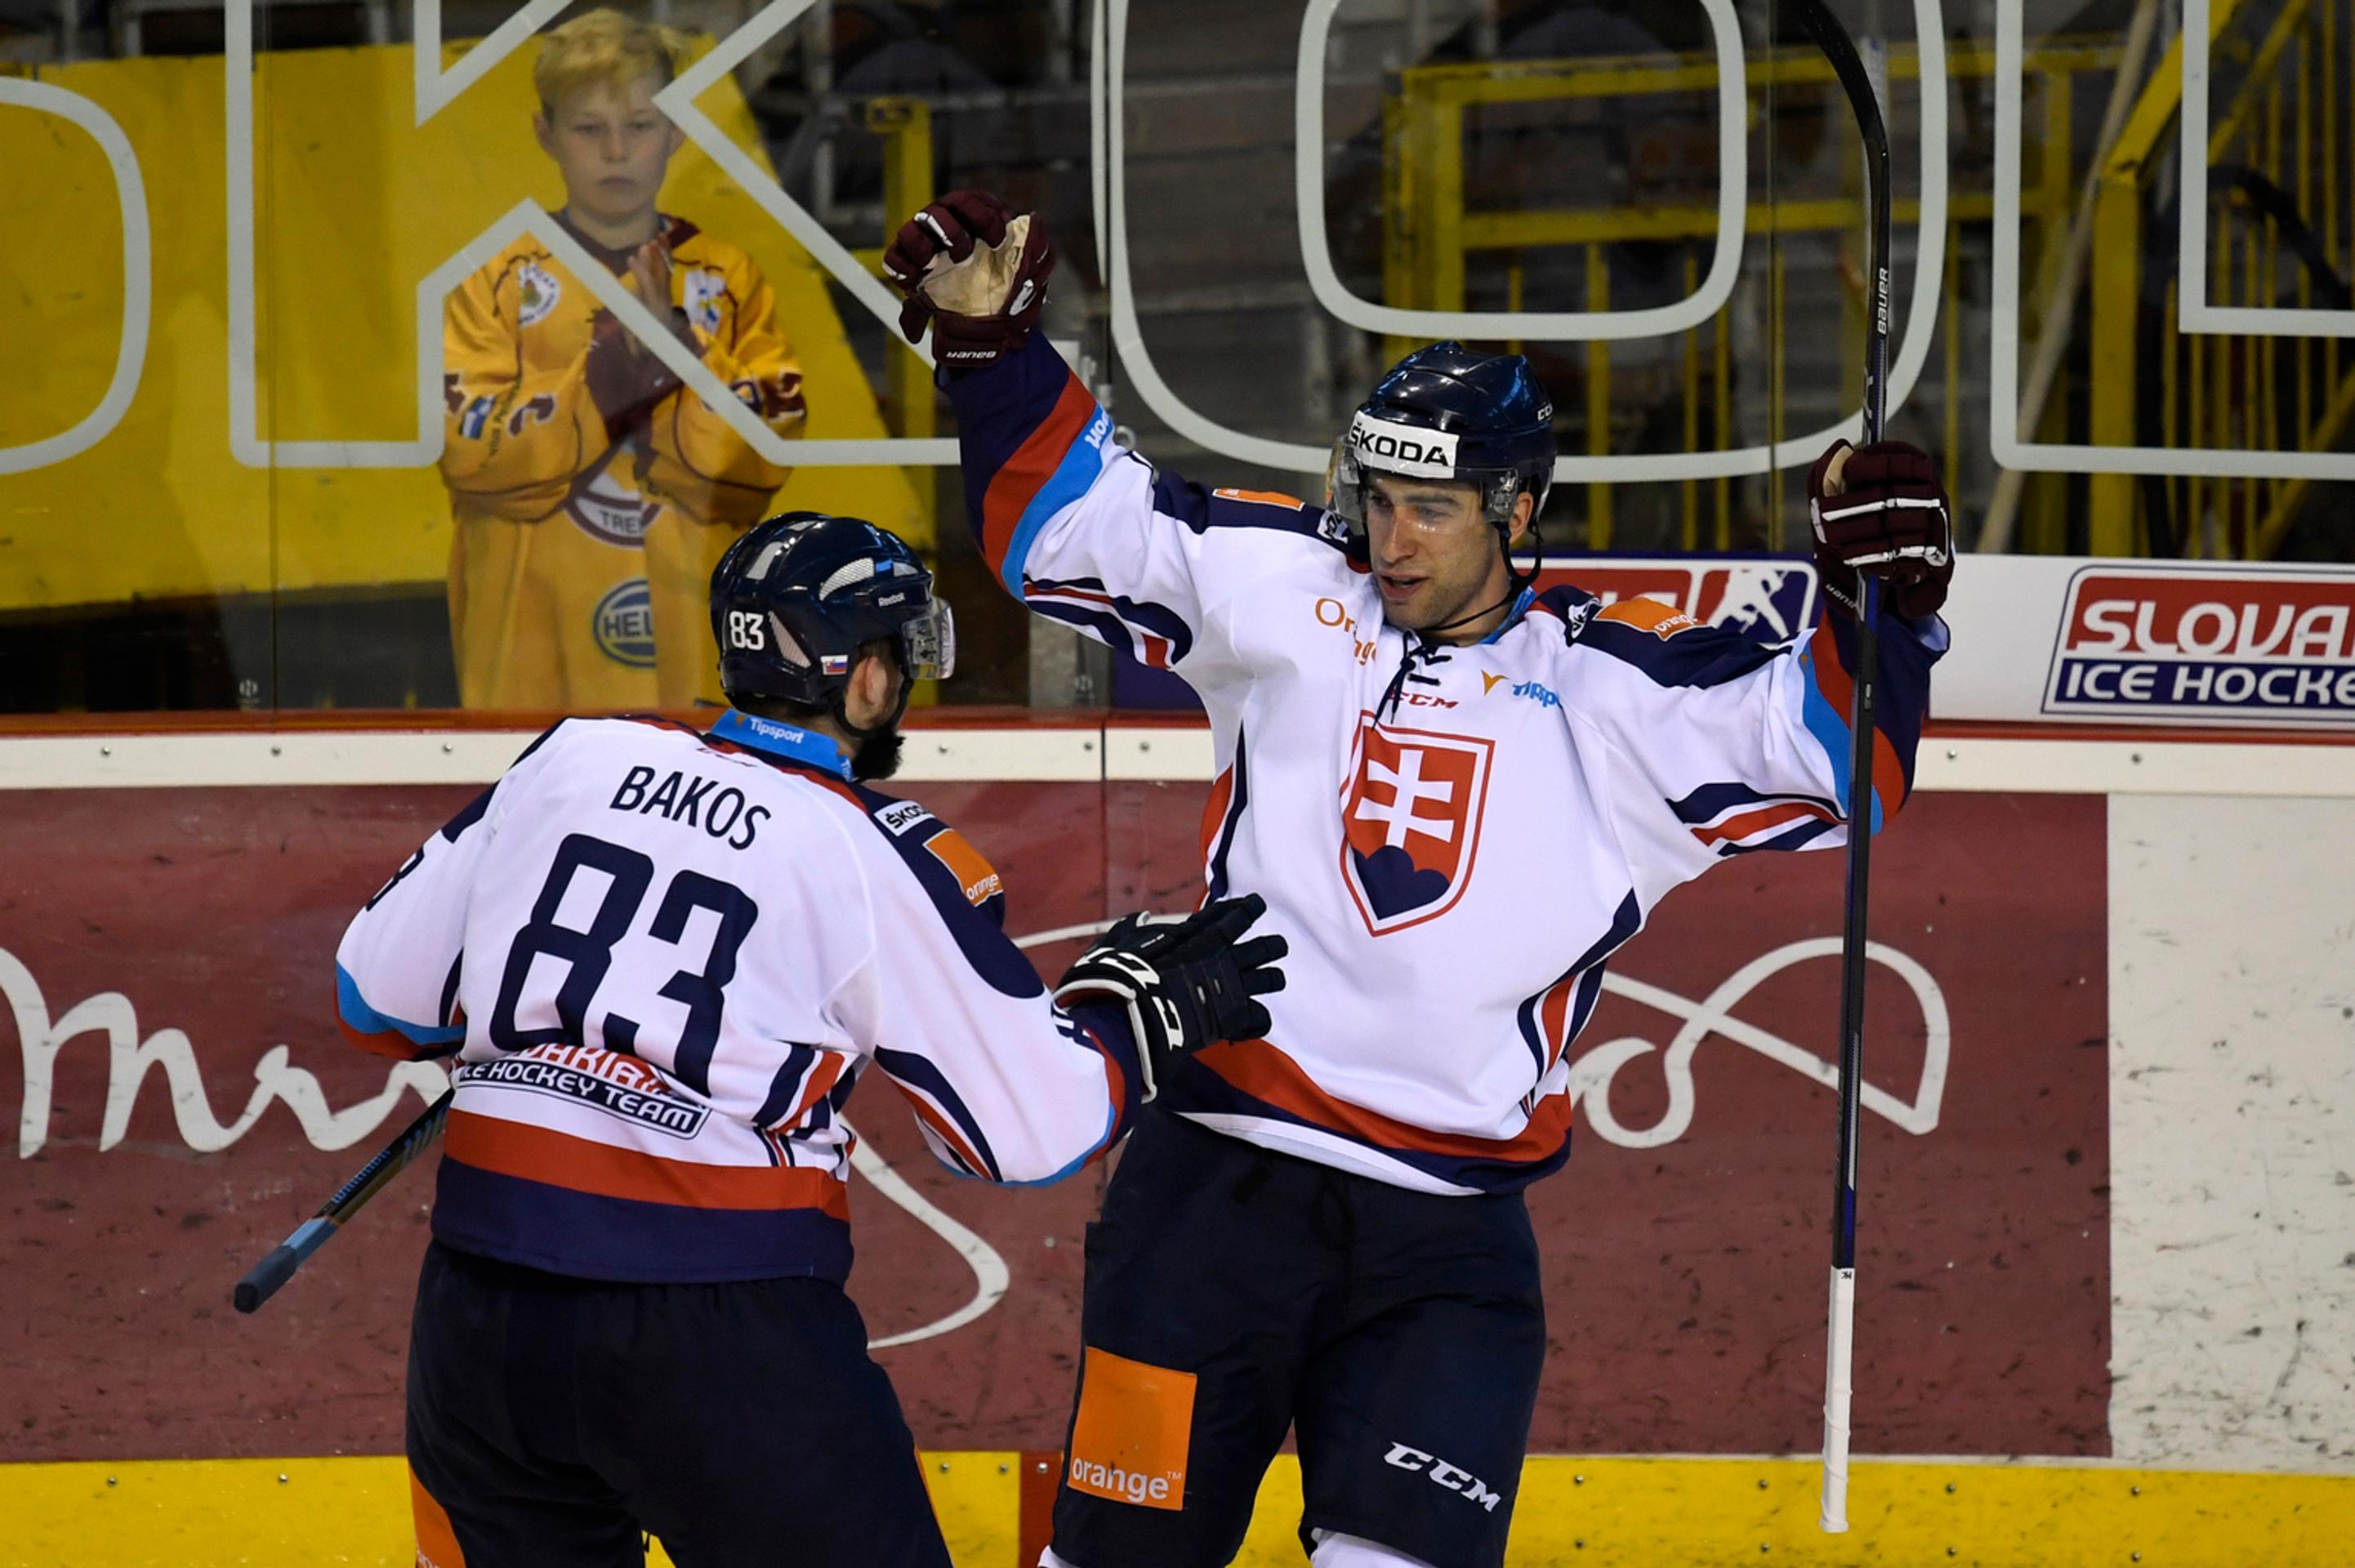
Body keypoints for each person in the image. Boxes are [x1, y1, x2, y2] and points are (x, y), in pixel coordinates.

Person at [883, 191, 1954, 1568]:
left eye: (1430, 512)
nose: (1388, 540)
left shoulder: (1608, 695)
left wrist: (1892, 608)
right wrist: (989, 354)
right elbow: (1069, 529)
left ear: (1514, 509)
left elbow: (1830, 763)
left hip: (1441, 1261)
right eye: (1377, 500)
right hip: (1205, 1208)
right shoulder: (1282, 591)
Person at [334, 509, 1287, 1568]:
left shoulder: (569, 762)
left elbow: (374, 999)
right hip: (715, 1332)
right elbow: (1026, 1132)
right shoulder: (859, 850)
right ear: (867, 675)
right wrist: (1131, 1022)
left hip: (480, 1310)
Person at [439, 7, 809, 711]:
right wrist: (608, 370)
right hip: (534, 654)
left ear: (673, 133)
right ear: (546, 134)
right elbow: (470, 453)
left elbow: (762, 454)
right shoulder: (494, 282)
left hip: (692, 635)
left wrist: (674, 355)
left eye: (639, 127)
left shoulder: (727, 281)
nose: (616, 151)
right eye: (588, 128)